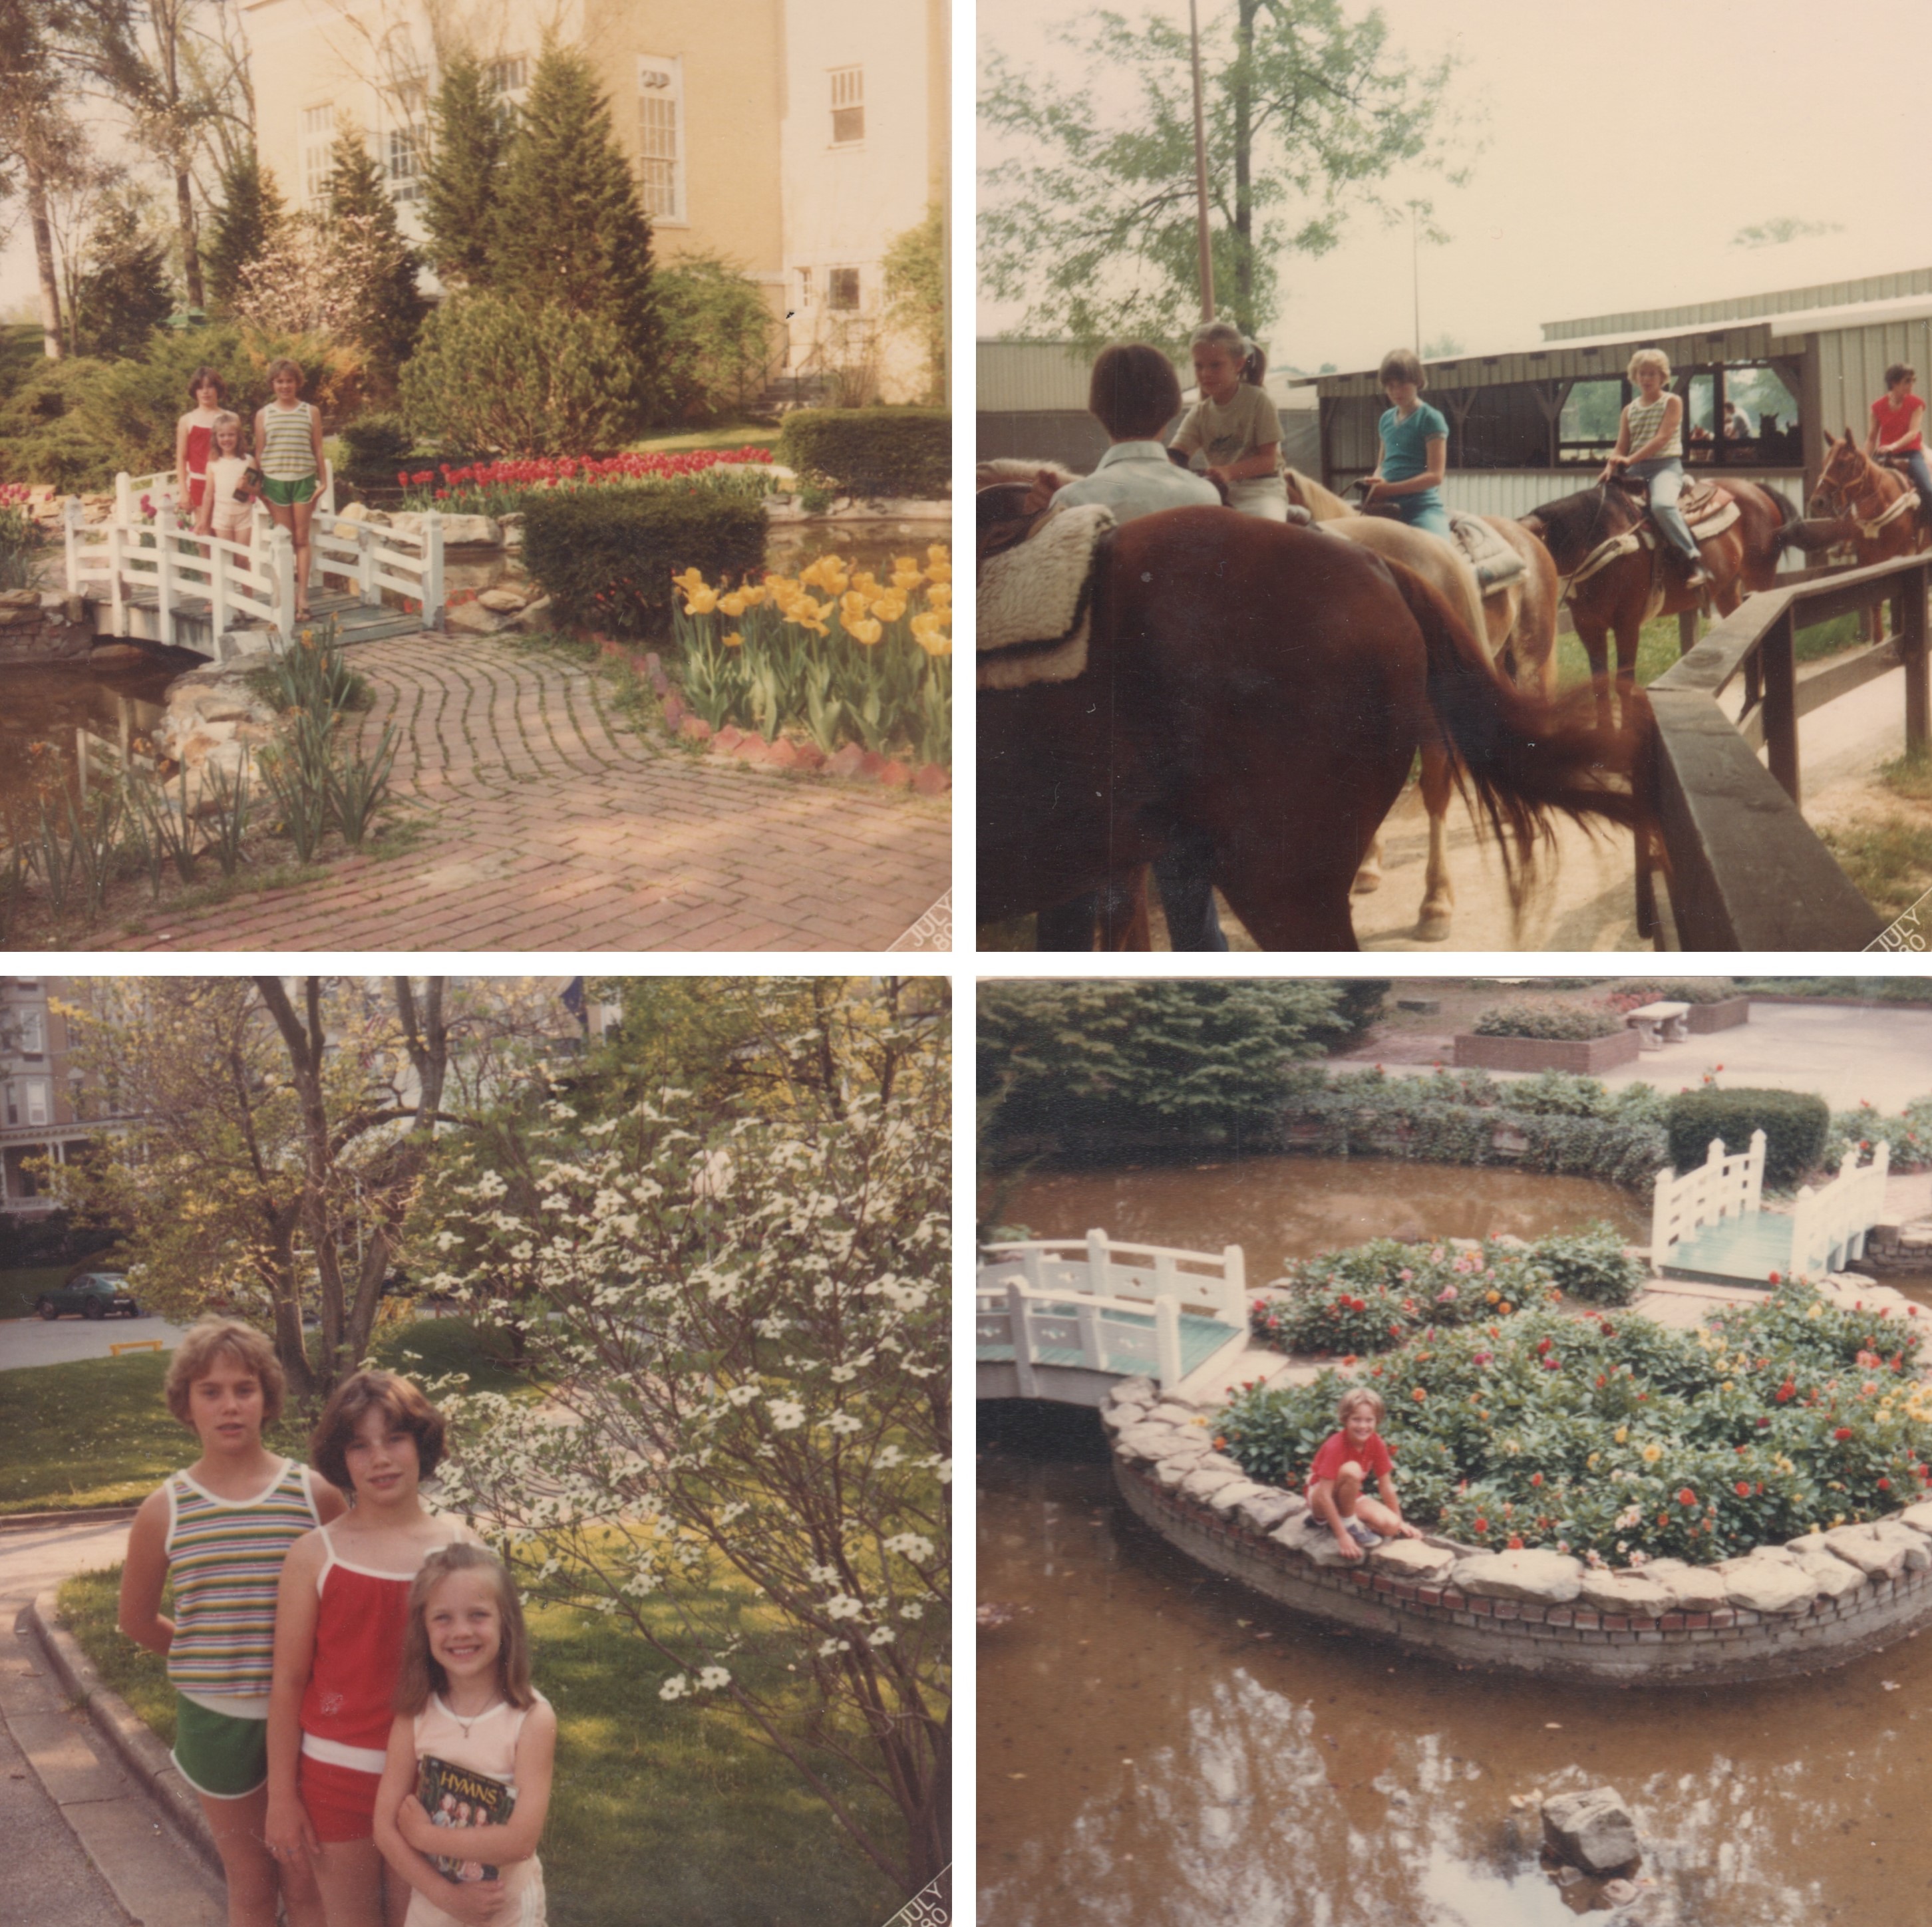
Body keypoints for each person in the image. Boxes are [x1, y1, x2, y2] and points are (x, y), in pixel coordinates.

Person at [118, 1318, 341, 1927]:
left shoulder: (312, 1494)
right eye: (209, 1390)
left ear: (267, 1397)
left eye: (243, 1388)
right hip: (216, 1723)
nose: (229, 1405)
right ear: (185, 1404)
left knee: (307, 1879)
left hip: (306, 1719)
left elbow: (344, 1603)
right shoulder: (166, 1508)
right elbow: (135, 1619)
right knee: (250, 1884)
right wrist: (206, 1660)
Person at [1035, 343, 1230, 953]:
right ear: (1172, 412)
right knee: (1196, 921)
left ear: (1097, 412)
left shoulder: (1073, 504)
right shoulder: (1206, 500)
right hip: (1188, 743)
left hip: (1099, 750)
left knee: (1070, 913)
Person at [268, 1372, 481, 1927]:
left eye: (394, 1438)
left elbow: (492, 1672)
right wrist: (282, 1798)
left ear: (423, 1443)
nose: (379, 1458)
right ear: (340, 1458)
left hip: (436, 1781)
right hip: (338, 1779)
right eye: (359, 1444)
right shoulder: (316, 1554)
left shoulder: (463, 1547)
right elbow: (288, 1682)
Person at [375, 1544, 555, 1926]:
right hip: (434, 1906)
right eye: (443, 1618)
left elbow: (520, 1841)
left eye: (478, 1615)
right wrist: (447, 1898)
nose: (461, 1632)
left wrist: (426, 1837)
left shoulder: (531, 1719)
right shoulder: (415, 1713)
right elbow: (385, 1827)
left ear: (506, 1622)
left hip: (504, 1909)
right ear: (423, 1628)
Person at [1601, 348, 1707, 589]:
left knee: (1662, 505)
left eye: (1652, 374)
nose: (1646, 379)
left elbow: (1661, 438)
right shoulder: (1629, 410)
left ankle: (1693, 558)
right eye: (1642, 374)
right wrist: (1610, 466)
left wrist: (1630, 460)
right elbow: (1621, 446)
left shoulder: (1672, 402)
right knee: (1606, 507)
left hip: (1665, 467)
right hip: (1635, 469)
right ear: (1635, 376)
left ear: (1662, 377)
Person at [1170, 319, 1289, 521]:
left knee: (1267, 530)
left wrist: (1229, 472)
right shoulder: (1199, 413)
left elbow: (1269, 460)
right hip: (1216, 492)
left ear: (1239, 364)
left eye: (1215, 365)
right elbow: (1177, 454)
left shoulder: (1258, 401)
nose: (1206, 374)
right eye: (1199, 366)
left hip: (1261, 492)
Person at [1304, 1386, 1425, 1564]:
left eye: (1369, 1420)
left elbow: (1386, 1486)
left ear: (1377, 1421)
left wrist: (1401, 1523)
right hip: (1320, 1496)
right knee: (1352, 1469)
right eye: (1356, 1419)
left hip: (1349, 1496)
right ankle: (1342, 1523)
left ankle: (1342, 1520)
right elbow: (1324, 1494)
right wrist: (1342, 1536)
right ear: (1345, 1419)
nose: (1363, 1426)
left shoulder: (1376, 1443)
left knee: (1391, 1526)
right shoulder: (1335, 1446)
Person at [254, 359, 327, 617]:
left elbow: (318, 448)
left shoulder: (311, 411)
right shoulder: (264, 414)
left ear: (297, 383)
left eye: (289, 381)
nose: (285, 386)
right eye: (280, 381)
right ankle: (285, 595)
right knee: (283, 539)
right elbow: (259, 453)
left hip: (304, 480)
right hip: (275, 482)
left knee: (301, 539)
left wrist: (324, 481)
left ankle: (303, 597)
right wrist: (257, 487)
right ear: (273, 384)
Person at [1361, 349, 1450, 538]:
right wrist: (1377, 481)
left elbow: (1435, 476)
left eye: (1402, 384)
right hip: (1386, 506)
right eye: (1390, 386)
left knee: (1437, 551)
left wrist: (1389, 489)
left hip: (1420, 507)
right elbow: (1382, 464)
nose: (1396, 392)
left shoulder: (1431, 418)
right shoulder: (1386, 419)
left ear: (1417, 381)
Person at [1865, 362, 1932, 525]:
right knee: (1860, 486)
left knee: (1928, 489)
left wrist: (1892, 446)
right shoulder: (1878, 407)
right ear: (1894, 383)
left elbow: (1913, 433)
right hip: (1885, 456)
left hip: (1911, 454)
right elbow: (1872, 438)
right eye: (1907, 381)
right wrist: (1865, 459)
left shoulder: (1916, 404)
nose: (1911, 385)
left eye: (1912, 381)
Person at [196, 412, 261, 552]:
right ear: (216, 438)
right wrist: (203, 521)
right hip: (221, 518)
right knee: (226, 557)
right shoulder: (213, 464)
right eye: (222, 435)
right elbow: (208, 494)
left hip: (243, 517)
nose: (227, 439)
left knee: (242, 559)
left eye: (231, 435)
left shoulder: (248, 461)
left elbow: (258, 490)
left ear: (239, 436)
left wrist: (247, 488)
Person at [176, 367, 230, 518]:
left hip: (224, 482)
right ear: (195, 391)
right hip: (199, 483)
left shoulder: (230, 418)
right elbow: (181, 458)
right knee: (204, 534)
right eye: (200, 387)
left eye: (210, 387)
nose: (205, 392)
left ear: (218, 389)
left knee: (225, 534)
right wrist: (184, 492)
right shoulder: (187, 420)